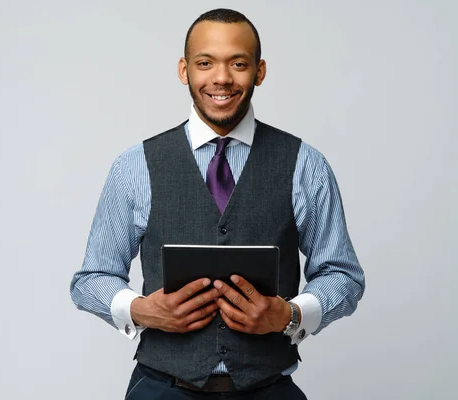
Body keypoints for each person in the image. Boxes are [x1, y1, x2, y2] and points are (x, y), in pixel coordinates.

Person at [70, 8, 365, 399]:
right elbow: (91, 279)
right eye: (205, 63)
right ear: (184, 70)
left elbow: (342, 274)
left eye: (238, 63)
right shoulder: (134, 165)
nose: (221, 78)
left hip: (269, 388)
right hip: (161, 388)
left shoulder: (305, 164)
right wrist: (142, 310)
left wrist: (290, 315)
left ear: (259, 72)